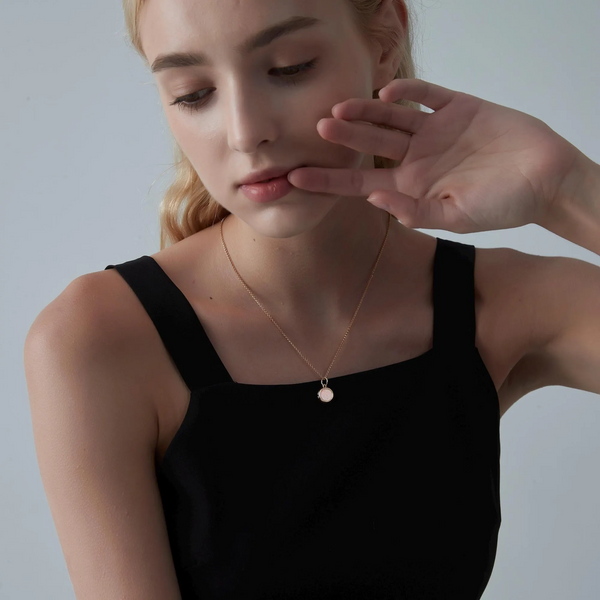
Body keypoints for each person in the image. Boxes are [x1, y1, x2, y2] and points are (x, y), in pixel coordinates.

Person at [23, 0, 600, 598]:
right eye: (193, 94)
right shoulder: (101, 339)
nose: (246, 132)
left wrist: (569, 190)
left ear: (384, 40)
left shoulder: (502, 303)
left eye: (289, 67)